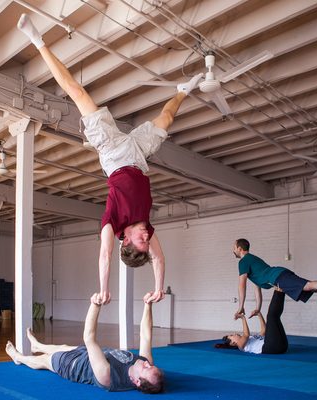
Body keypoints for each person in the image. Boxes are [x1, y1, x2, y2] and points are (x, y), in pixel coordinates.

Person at [18, 14, 203, 305]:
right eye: (147, 241)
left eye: (141, 240)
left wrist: (103, 289)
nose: (146, 236)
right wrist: (159, 287)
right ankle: (182, 91)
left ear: (126, 241)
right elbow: (159, 257)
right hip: (139, 157)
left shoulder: (112, 223)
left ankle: (36, 41)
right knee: (166, 119)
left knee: (77, 94)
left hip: (113, 154)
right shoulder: (146, 229)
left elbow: (104, 254)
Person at [5, 292, 164, 393]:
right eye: (151, 365)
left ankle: (19, 358)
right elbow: (145, 335)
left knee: (44, 361)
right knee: (64, 347)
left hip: (74, 366)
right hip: (95, 355)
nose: (147, 364)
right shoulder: (144, 363)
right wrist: (147, 305)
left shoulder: (108, 376)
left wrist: (95, 306)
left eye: (146, 369)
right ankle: (37, 346)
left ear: (136, 382)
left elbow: (89, 337)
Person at [233, 238, 317, 319]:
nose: (233, 251)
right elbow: (258, 288)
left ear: (239, 249)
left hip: (278, 277)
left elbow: (241, 285)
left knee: (310, 285)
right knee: (313, 287)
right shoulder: (253, 260)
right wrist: (258, 308)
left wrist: (240, 307)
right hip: (279, 274)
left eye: (234, 248)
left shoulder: (243, 261)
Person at [216, 289, 288, 354]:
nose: (234, 333)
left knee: (275, 318)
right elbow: (246, 335)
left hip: (282, 346)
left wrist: (259, 315)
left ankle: (280, 290)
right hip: (271, 348)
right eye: (232, 335)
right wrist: (243, 318)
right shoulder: (240, 346)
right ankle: (279, 290)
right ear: (233, 343)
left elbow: (264, 331)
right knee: (271, 316)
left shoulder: (251, 338)